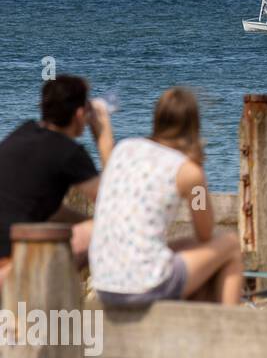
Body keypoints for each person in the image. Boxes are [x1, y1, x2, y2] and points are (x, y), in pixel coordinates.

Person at [90, 88, 245, 306]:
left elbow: (105, 146)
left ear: (157, 118)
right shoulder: (190, 173)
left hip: (105, 283)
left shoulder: (124, 149)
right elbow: (205, 232)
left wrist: (102, 119)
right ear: (193, 124)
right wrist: (198, 179)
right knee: (230, 244)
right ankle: (230, 329)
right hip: (146, 286)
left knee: (181, 246)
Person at [0, 75, 114, 286]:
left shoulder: (23, 132)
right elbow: (117, 208)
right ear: (80, 114)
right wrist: (104, 136)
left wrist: (85, 219)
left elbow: (45, 208)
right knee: (108, 229)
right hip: (12, 268)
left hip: (9, 253)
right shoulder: (69, 153)